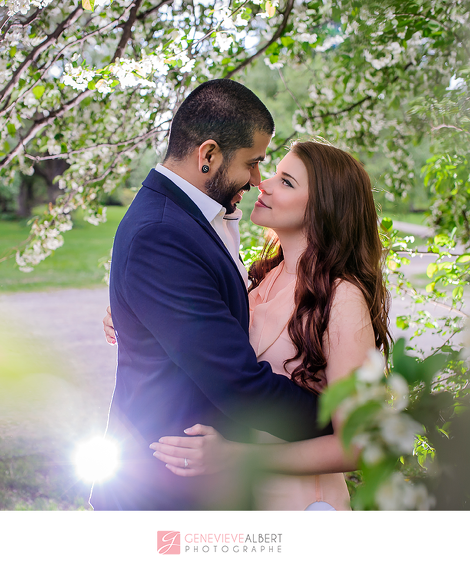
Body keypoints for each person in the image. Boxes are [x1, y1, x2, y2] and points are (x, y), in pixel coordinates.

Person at [90, 79, 332, 511]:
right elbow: (237, 385)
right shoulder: (163, 234)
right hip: (167, 493)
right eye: (252, 163)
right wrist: (342, 422)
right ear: (208, 155)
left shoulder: (197, 217)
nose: (259, 179)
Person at [148, 141, 392, 510]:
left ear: (324, 207)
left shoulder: (342, 299)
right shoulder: (259, 278)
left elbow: (356, 444)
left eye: (287, 182)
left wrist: (238, 457)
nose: (265, 184)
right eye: (274, 173)